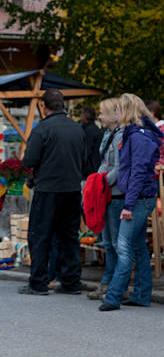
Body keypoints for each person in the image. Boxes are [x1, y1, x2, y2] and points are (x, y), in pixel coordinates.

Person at [18, 89, 86, 296]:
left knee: (40, 236)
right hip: (72, 190)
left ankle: (38, 282)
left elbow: (29, 160)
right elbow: (83, 157)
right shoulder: (77, 129)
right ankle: (71, 282)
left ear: (44, 107)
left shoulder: (42, 129)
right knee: (69, 236)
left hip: (48, 190)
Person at [99, 94, 163, 311]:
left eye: (118, 109)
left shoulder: (137, 137)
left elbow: (137, 173)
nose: (116, 113)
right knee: (137, 248)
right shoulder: (137, 134)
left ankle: (113, 296)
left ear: (126, 111)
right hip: (141, 197)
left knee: (124, 247)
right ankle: (141, 295)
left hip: (138, 199)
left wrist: (128, 205)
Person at [87, 98, 124, 300]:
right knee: (108, 243)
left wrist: (101, 184)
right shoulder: (108, 134)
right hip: (107, 192)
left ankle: (116, 285)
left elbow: (118, 168)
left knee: (116, 244)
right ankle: (107, 283)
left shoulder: (119, 136)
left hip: (115, 194)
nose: (99, 116)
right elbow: (104, 163)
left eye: (102, 113)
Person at [81, 106, 103, 179]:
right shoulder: (96, 129)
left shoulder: (88, 131)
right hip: (96, 167)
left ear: (85, 116)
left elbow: (86, 152)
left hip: (89, 171)